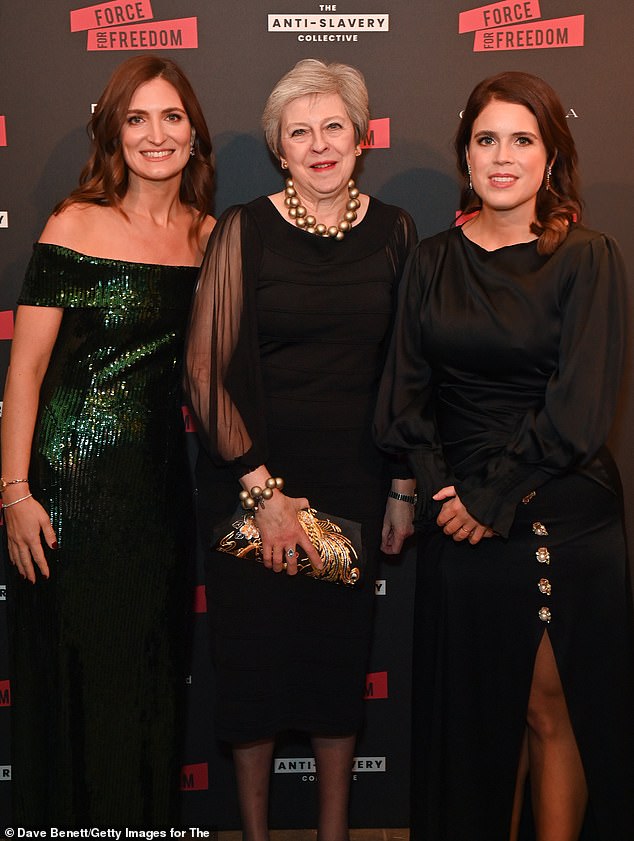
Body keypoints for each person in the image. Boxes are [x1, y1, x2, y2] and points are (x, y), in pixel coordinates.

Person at [374, 71, 634, 841]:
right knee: (478, 721)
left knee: (550, 707)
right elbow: (405, 396)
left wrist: (492, 497)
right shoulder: (430, 261)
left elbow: (580, 410)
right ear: (467, 155)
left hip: (562, 504)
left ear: (551, 158)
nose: (503, 155)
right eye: (486, 139)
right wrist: (442, 493)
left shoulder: (590, 258)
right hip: (456, 512)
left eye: (522, 139)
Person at [184, 58, 416, 841]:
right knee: (251, 679)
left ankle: (334, 833)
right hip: (251, 485)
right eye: (299, 132)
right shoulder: (243, 228)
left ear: (360, 137)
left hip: (352, 485)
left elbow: (407, 371)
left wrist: (402, 487)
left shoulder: (395, 233)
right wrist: (262, 490)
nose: (319, 145)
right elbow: (203, 370)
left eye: (333, 128)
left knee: (333, 676)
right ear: (280, 149)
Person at [1, 55, 215, 828]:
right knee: (81, 687)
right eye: (137, 119)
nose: (155, 135)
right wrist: (15, 492)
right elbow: (24, 374)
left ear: (194, 133)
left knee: (150, 684)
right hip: (68, 495)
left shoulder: (207, 235)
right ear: (114, 132)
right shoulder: (74, 222)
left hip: (159, 499)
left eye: (171, 117)